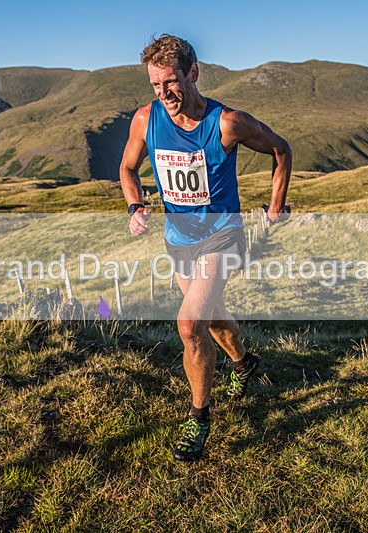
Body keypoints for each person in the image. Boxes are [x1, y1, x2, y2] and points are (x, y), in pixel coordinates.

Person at [119, 34, 292, 461]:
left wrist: (274, 206)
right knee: (211, 319)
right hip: (179, 240)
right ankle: (244, 363)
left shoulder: (226, 123)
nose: (164, 94)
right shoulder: (146, 119)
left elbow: (280, 148)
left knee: (189, 325)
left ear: (193, 73)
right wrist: (135, 205)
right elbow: (127, 166)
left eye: (171, 82)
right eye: (156, 86)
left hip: (223, 237)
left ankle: (198, 418)